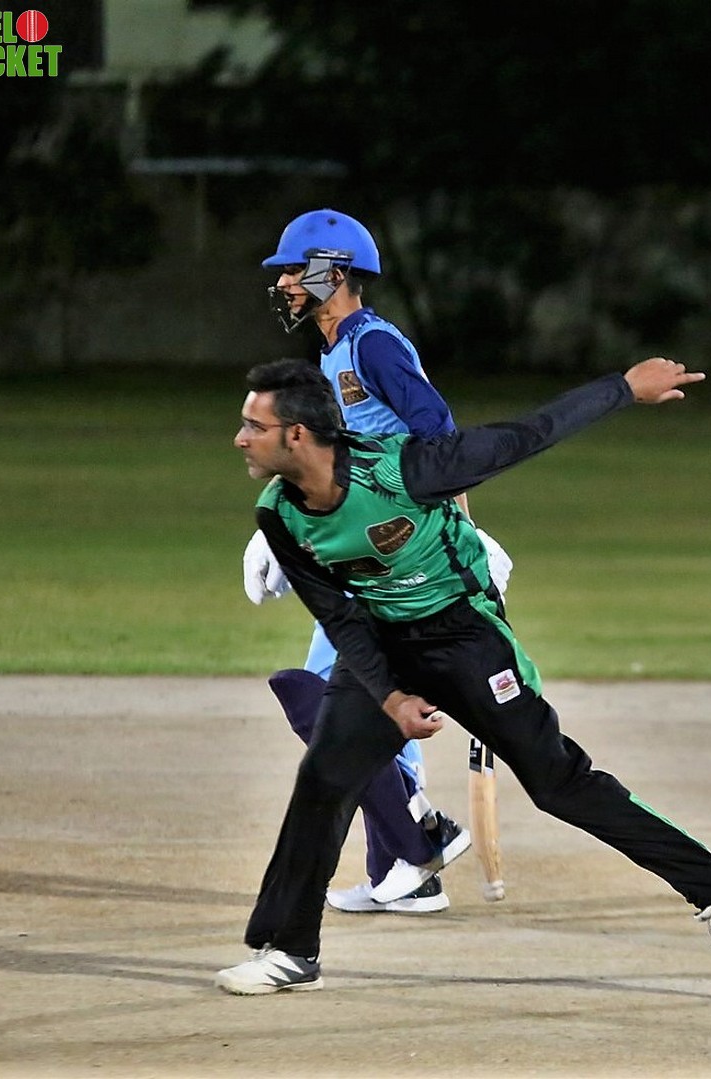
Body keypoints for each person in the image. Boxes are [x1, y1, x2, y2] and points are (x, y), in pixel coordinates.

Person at [215, 356, 711, 995]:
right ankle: (291, 951)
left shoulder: (407, 469)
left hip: (464, 638)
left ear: (297, 435)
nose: (240, 439)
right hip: (382, 642)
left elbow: (527, 435)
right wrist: (390, 698)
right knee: (324, 778)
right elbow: (340, 616)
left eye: (253, 426)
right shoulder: (279, 514)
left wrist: (622, 389)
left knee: (559, 783)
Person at [241, 207, 513, 912]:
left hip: (396, 558)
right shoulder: (334, 355)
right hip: (364, 550)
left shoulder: (372, 345)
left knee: (325, 697)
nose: (284, 283)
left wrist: (462, 535)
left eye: (293, 270)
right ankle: (404, 865)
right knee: (364, 700)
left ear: (331, 271)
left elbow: (438, 438)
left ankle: (419, 835)